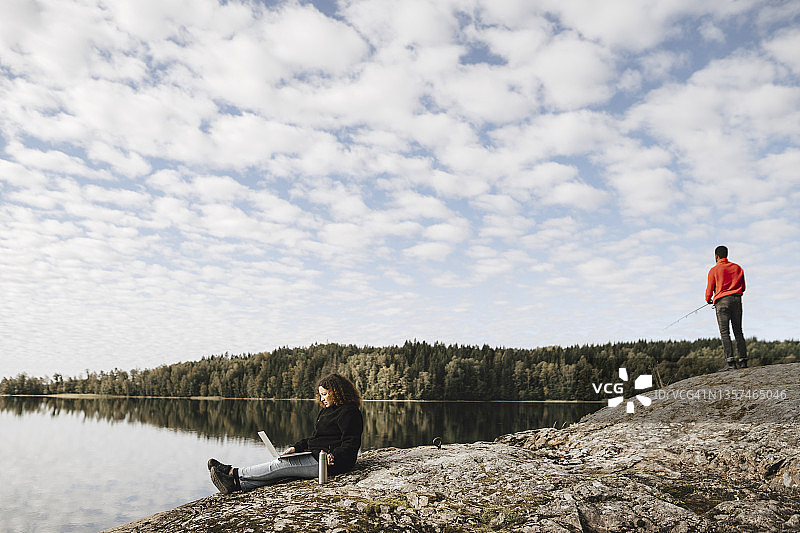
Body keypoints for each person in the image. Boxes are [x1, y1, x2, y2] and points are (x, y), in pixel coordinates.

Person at [208, 373, 364, 493]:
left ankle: (232, 473)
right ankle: (237, 485)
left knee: (281, 465)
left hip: (331, 463)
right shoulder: (327, 411)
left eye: (324, 394)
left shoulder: (350, 412)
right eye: (320, 395)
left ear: (336, 392)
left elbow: (351, 443)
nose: (322, 399)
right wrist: (296, 448)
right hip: (315, 455)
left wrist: (335, 457)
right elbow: (315, 439)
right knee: (281, 473)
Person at [705, 245, 747, 371]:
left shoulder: (714, 270)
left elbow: (709, 291)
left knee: (725, 333)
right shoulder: (737, 268)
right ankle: (743, 360)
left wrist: (709, 300)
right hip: (737, 300)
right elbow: (743, 287)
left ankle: (730, 362)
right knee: (738, 331)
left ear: (716, 256)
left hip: (722, 302)